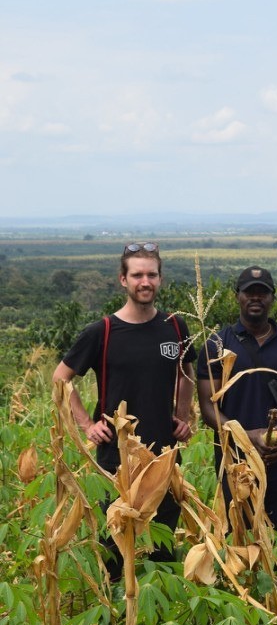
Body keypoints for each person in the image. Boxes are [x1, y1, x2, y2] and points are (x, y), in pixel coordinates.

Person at [53, 241, 196, 576]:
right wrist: (87, 424)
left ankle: (164, 611)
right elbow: (61, 379)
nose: (144, 282)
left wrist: (185, 415)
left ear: (160, 279)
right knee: (115, 543)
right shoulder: (101, 331)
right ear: (123, 280)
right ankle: (117, 620)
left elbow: (187, 371)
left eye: (151, 275)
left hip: (163, 454)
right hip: (116, 458)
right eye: (137, 275)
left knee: (163, 543)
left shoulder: (175, 326)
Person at [196, 266, 277, 539]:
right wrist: (245, 436)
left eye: (263, 293)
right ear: (237, 296)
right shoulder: (216, 343)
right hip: (234, 460)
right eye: (250, 292)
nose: (256, 298)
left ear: (272, 298)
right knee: (238, 535)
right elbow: (207, 406)